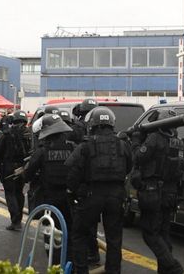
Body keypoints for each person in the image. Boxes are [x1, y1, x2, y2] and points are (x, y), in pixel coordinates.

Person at [66, 107, 132, 274]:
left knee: (80, 234)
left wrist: (72, 192)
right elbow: (129, 166)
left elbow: (72, 170)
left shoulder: (85, 146)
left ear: (93, 124)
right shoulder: (123, 145)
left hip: (91, 194)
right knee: (114, 240)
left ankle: (81, 270)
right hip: (116, 196)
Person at [131, 109, 184, 274]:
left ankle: (173, 268)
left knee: (150, 233)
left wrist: (136, 140)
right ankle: (166, 271)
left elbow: (137, 157)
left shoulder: (155, 138)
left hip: (153, 192)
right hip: (170, 193)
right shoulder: (178, 142)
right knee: (163, 234)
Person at [24, 113, 76, 260]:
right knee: (70, 232)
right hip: (70, 199)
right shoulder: (73, 148)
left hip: (49, 200)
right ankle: (70, 264)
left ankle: (54, 264)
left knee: (51, 233)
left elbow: (27, 174)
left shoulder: (42, 151)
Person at [69, 98, 100, 266]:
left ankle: (85, 257)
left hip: (83, 179)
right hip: (98, 182)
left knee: (81, 225)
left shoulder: (78, 128)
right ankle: (93, 253)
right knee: (93, 222)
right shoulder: (99, 128)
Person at [0, 109, 31, 230]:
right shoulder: (29, 134)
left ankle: (15, 221)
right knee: (19, 193)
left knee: (10, 194)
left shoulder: (7, 133)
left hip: (9, 167)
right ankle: (19, 219)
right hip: (23, 168)